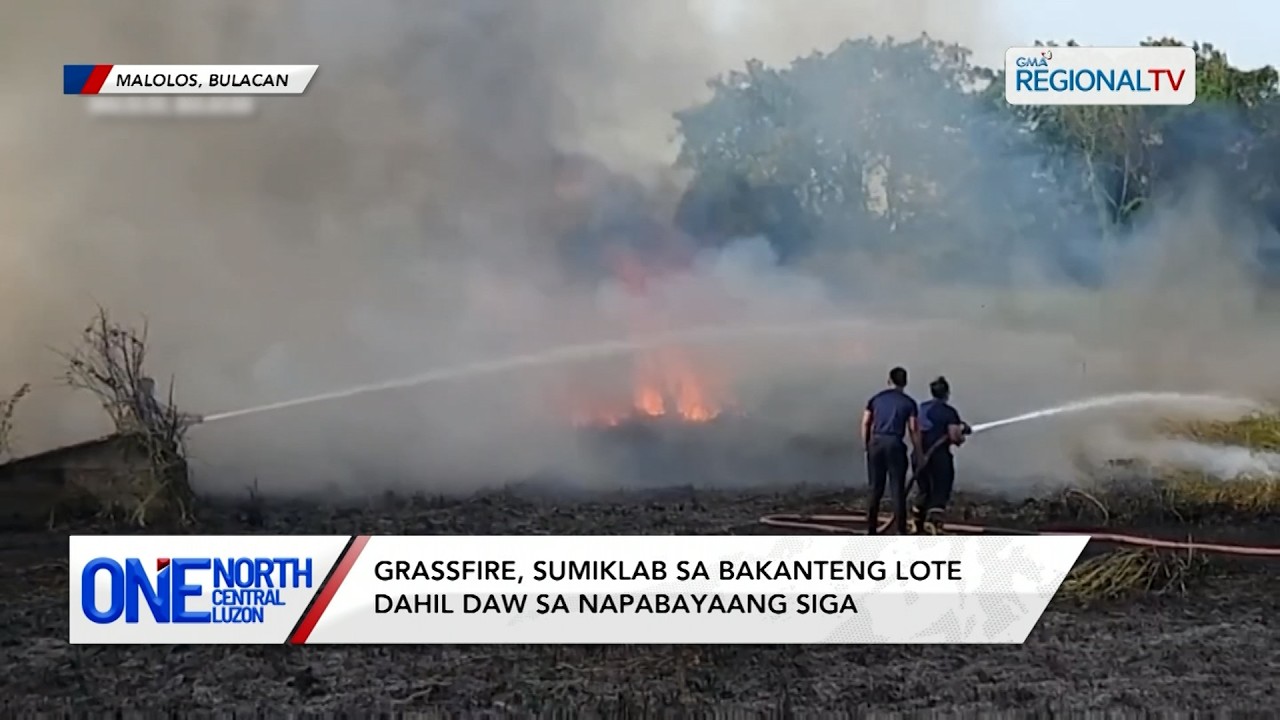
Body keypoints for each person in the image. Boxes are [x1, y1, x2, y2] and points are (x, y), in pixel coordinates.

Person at [860, 366, 921, 535]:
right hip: (895, 444)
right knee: (897, 489)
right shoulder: (909, 403)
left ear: (889, 381)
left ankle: (871, 529)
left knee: (875, 488)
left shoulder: (875, 399)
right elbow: (913, 429)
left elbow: (866, 423)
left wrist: (867, 445)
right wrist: (919, 452)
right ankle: (900, 531)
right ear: (905, 382)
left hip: (876, 443)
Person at [912, 376, 971, 534]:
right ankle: (933, 524)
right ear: (947, 393)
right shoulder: (949, 412)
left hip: (918, 455)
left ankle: (917, 523)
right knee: (941, 488)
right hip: (939, 456)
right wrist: (962, 435)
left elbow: (913, 429)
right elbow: (954, 436)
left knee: (923, 489)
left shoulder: (920, 408)